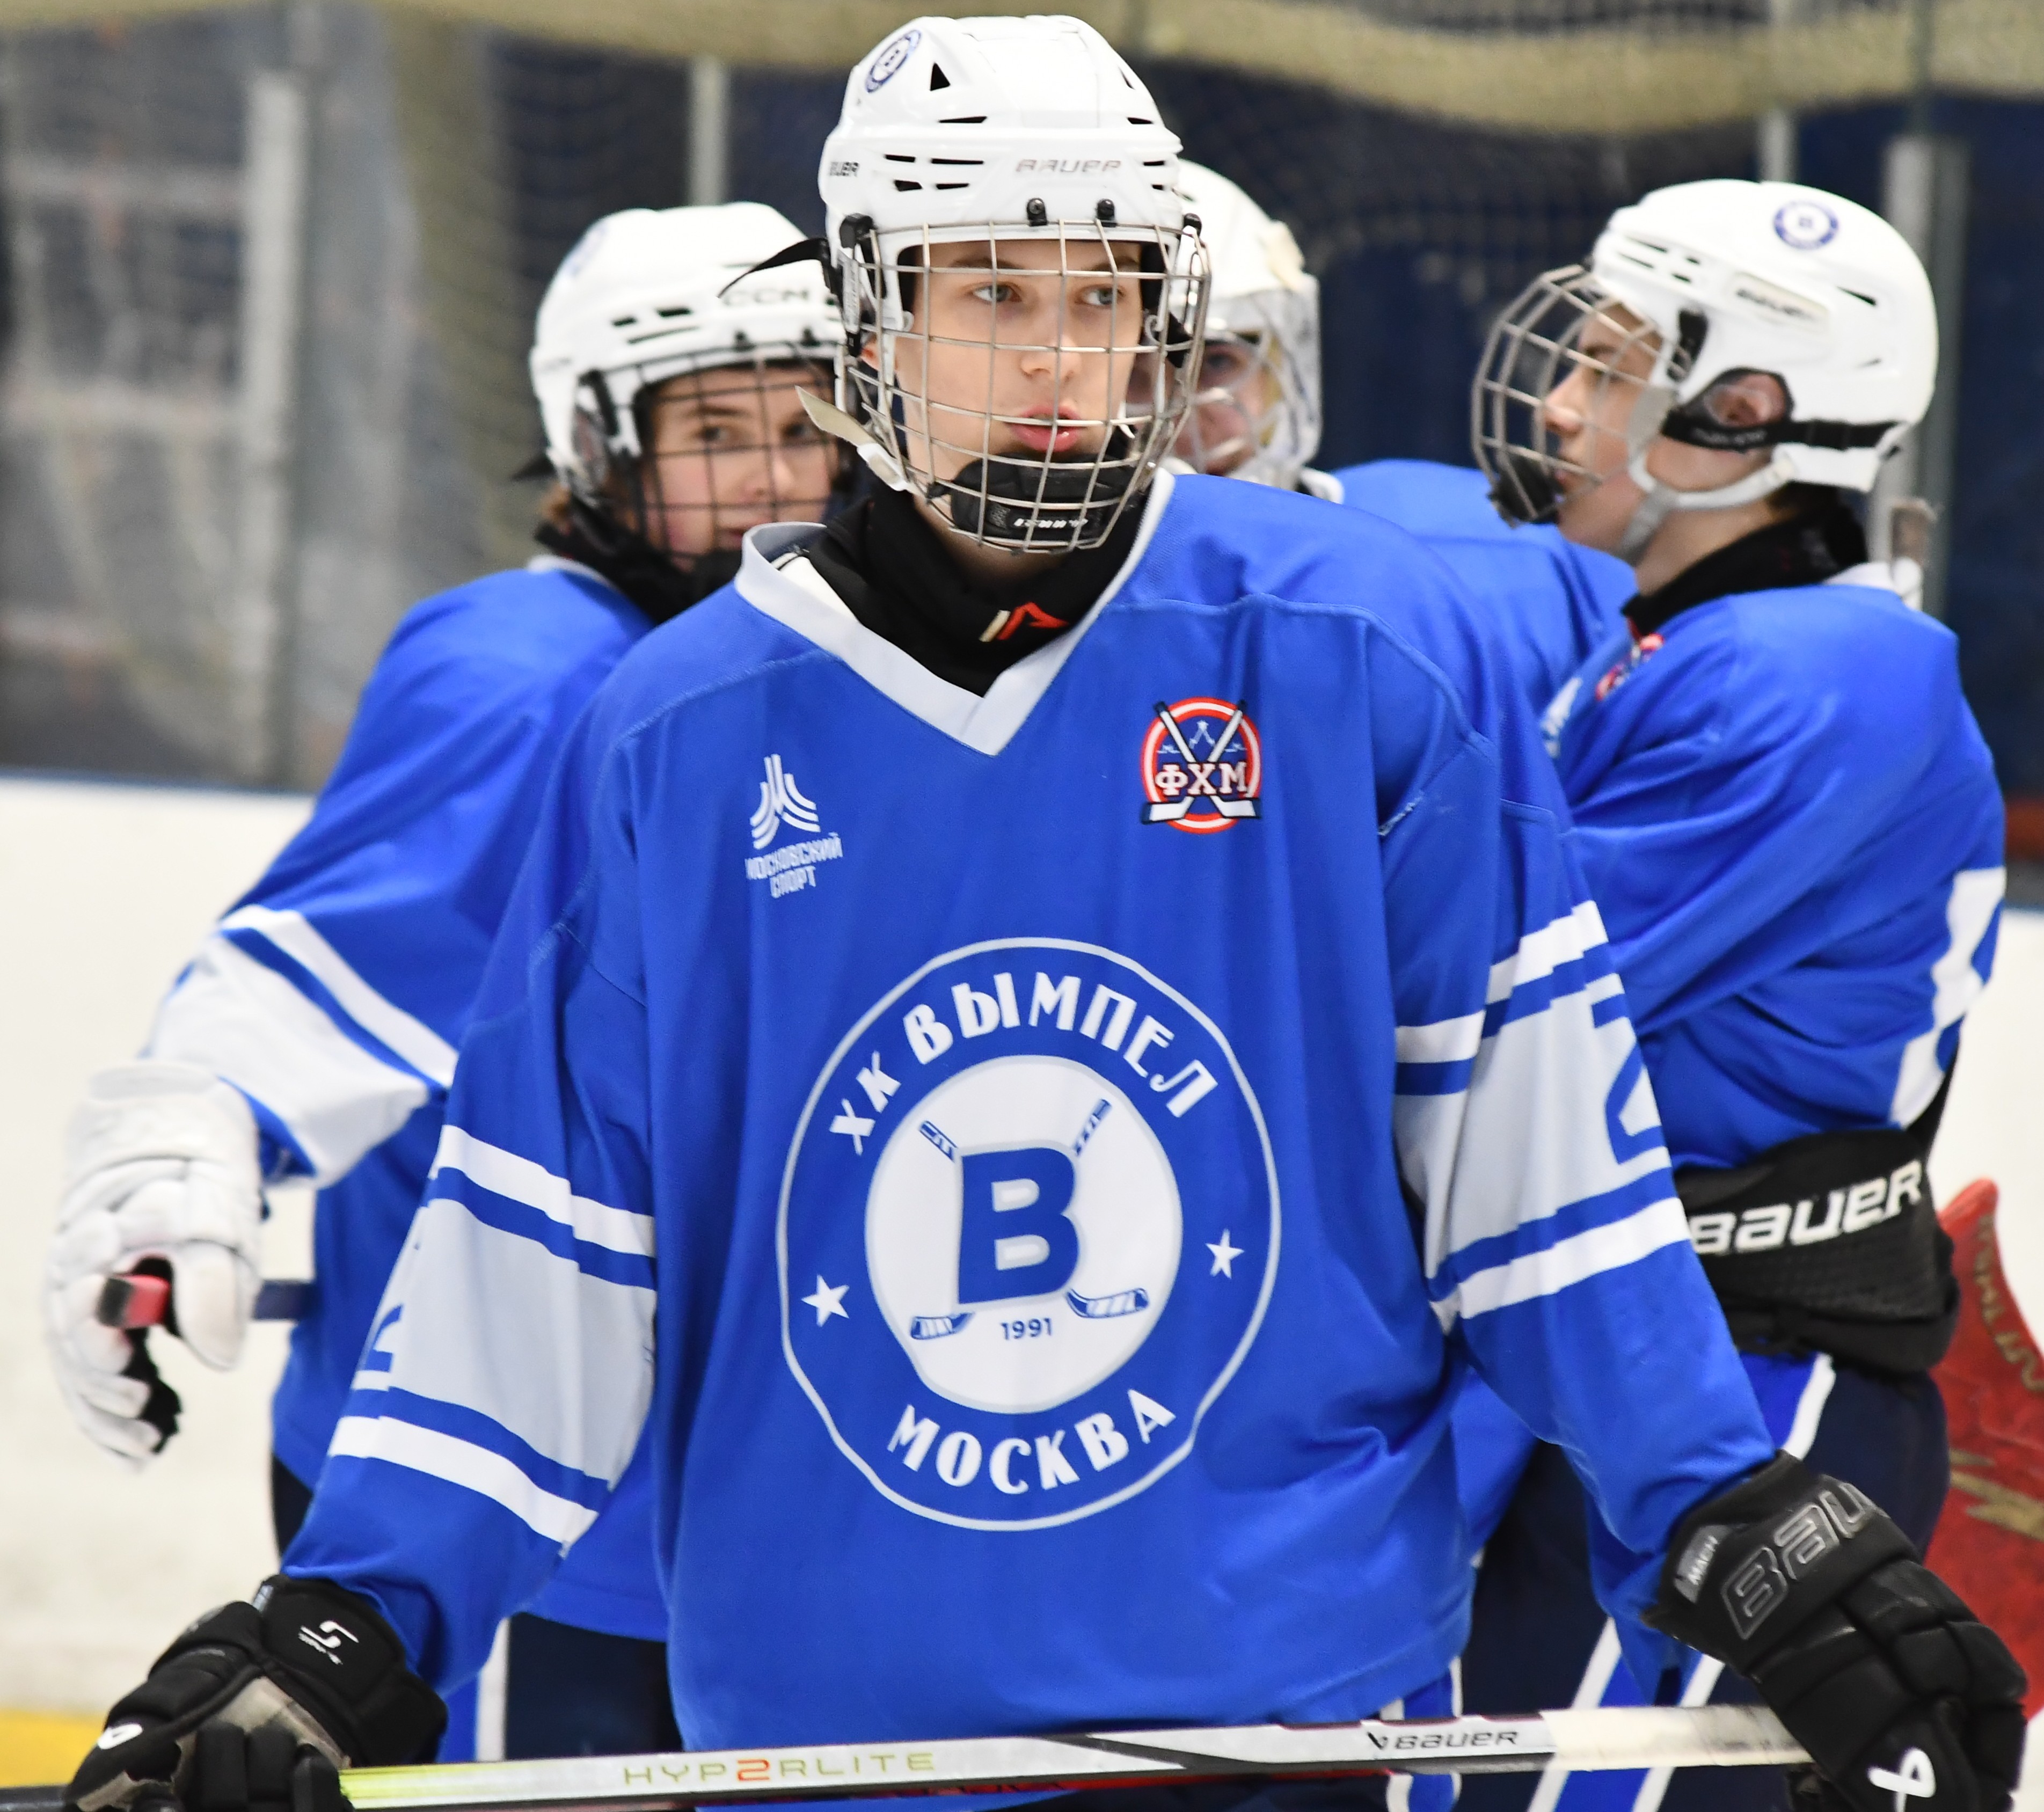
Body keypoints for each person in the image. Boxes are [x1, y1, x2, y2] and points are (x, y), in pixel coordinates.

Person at [62, 30, 2021, 1812]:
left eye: (1107, 295)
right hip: (824, 1728)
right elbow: (544, 1259)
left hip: (1292, 1707)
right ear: (869, 317)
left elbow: (1534, 1171)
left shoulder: (1358, 645)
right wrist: (354, 1617)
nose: (1059, 356)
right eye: (992, 290)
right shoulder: (671, 730)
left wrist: (1736, 1509)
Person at [42, 201, 843, 1762]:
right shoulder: (540, 670)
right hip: (495, 1523)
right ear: (595, 452)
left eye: (808, 422)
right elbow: (326, 968)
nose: (771, 478)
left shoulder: (832, 677)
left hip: (712, 1511)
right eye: (713, 430)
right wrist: (176, 1153)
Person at [1455, 179, 2011, 1812]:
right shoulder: (1669, 634)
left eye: (1614, 365)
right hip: (1634, 1362)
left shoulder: (1816, 674)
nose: (1561, 402)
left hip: (1751, 1384)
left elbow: (1498, 991)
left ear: (1745, 413)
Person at [1163, 159, 1633, 717]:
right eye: (1139, 367)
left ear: (1285, 368)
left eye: (1218, 361)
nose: (1179, 410)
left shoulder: (1490, 556)